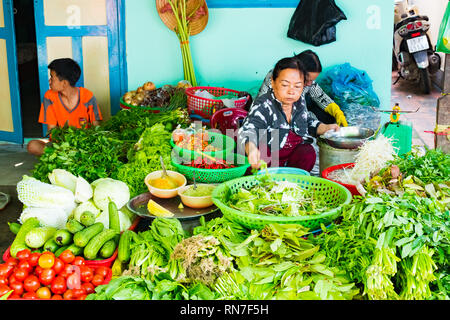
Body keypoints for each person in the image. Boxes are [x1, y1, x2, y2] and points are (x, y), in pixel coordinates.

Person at [238, 56, 340, 172]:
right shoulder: (264, 104)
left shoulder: (299, 101)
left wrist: (325, 128)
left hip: (288, 158)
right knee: (262, 152)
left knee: (307, 152)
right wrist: (251, 149)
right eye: (285, 85)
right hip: (266, 161)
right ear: (273, 82)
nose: (291, 91)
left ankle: (292, 182)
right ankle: (267, 185)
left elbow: (306, 121)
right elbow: (249, 128)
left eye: (297, 86)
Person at [27, 58, 103, 156]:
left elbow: (96, 128)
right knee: (32, 146)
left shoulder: (87, 96)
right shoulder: (49, 97)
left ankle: (68, 157)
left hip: (84, 144)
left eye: (52, 77)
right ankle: (66, 156)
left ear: (64, 83)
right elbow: (52, 130)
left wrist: (81, 144)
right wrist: (66, 147)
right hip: (60, 145)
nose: (49, 81)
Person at [256, 50, 347, 127]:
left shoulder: (306, 81)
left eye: (312, 80)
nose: (309, 84)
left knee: (328, 116)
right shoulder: (276, 78)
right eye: (308, 80)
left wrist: (337, 112)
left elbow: (319, 96)